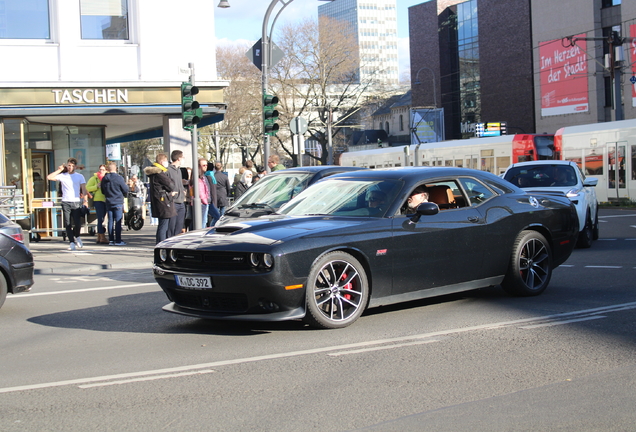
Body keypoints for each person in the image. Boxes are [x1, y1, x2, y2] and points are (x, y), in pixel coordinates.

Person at [47, 157, 88, 251]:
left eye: (72, 166)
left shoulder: (79, 176)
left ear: (75, 167)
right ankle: (71, 242)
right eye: (69, 165)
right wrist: (60, 170)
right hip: (65, 202)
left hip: (76, 201)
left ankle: (77, 236)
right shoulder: (63, 175)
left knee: (77, 223)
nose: (70, 167)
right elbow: (49, 177)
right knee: (67, 223)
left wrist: (85, 201)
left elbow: (84, 190)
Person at [144, 153, 176, 244]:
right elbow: (171, 185)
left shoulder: (154, 173)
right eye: (166, 161)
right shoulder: (159, 173)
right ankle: (161, 245)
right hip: (163, 202)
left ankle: (159, 243)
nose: (167, 163)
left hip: (159, 201)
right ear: (162, 162)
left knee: (162, 225)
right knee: (164, 225)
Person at [101, 162, 129, 246]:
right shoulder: (119, 178)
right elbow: (125, 189)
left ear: (108, 169)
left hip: (109, 201)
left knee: (110, 221)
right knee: (118, 221)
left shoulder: (104, 179)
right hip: (118, 201)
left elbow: (102, 191)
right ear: (115, 168)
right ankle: (118, 240)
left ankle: (111, 240)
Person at [86, 164, 109, 244]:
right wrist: (96, 186)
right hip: (98, 200)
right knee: (100, 218)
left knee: (103, 218)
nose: (101, 171)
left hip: (106, 200)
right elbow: (87, 187)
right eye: (100, 169)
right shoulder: (94, 178)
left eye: (103, 169)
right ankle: (101, 236)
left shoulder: (107, 177)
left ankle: (99, 237)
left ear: (106, 170)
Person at [166, 150, 186, 238]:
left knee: (179, 226)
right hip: (173, 201)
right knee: (171, 226)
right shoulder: (168, 170)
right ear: (179, 158)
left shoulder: (179, 170)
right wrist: (170, 194)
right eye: (183, 157)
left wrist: (183, 191)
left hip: (181, 201)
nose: (183, 159)